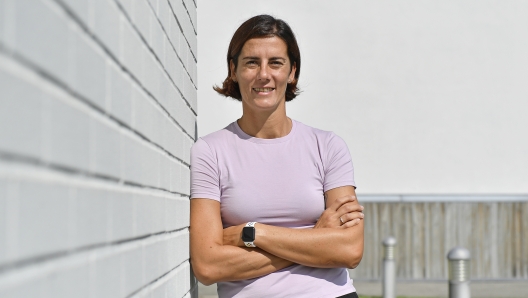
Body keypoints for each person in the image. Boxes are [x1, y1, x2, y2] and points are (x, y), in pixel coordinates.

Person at [190, 15, 364, 298]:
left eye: (276, 62)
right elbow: (208, 265)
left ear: (292, 72)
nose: (263, 74)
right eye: (251, 62)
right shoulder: (210, 151)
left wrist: (253, 233)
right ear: (233, 70)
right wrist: (315, 239)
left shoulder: (328, 146)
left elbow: (350, 250)